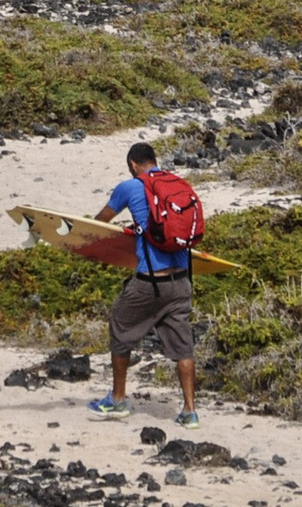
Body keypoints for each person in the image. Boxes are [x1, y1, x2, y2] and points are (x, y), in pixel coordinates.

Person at [85, 141, 199, 426]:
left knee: (120, 325)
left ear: (133, 165)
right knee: (183, 347)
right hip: (182, 281)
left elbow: (101, 223)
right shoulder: (178, 184)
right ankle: (189, 411)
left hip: (150, 282)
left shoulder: (131, 186)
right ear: (154, 161)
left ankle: (118, 399)